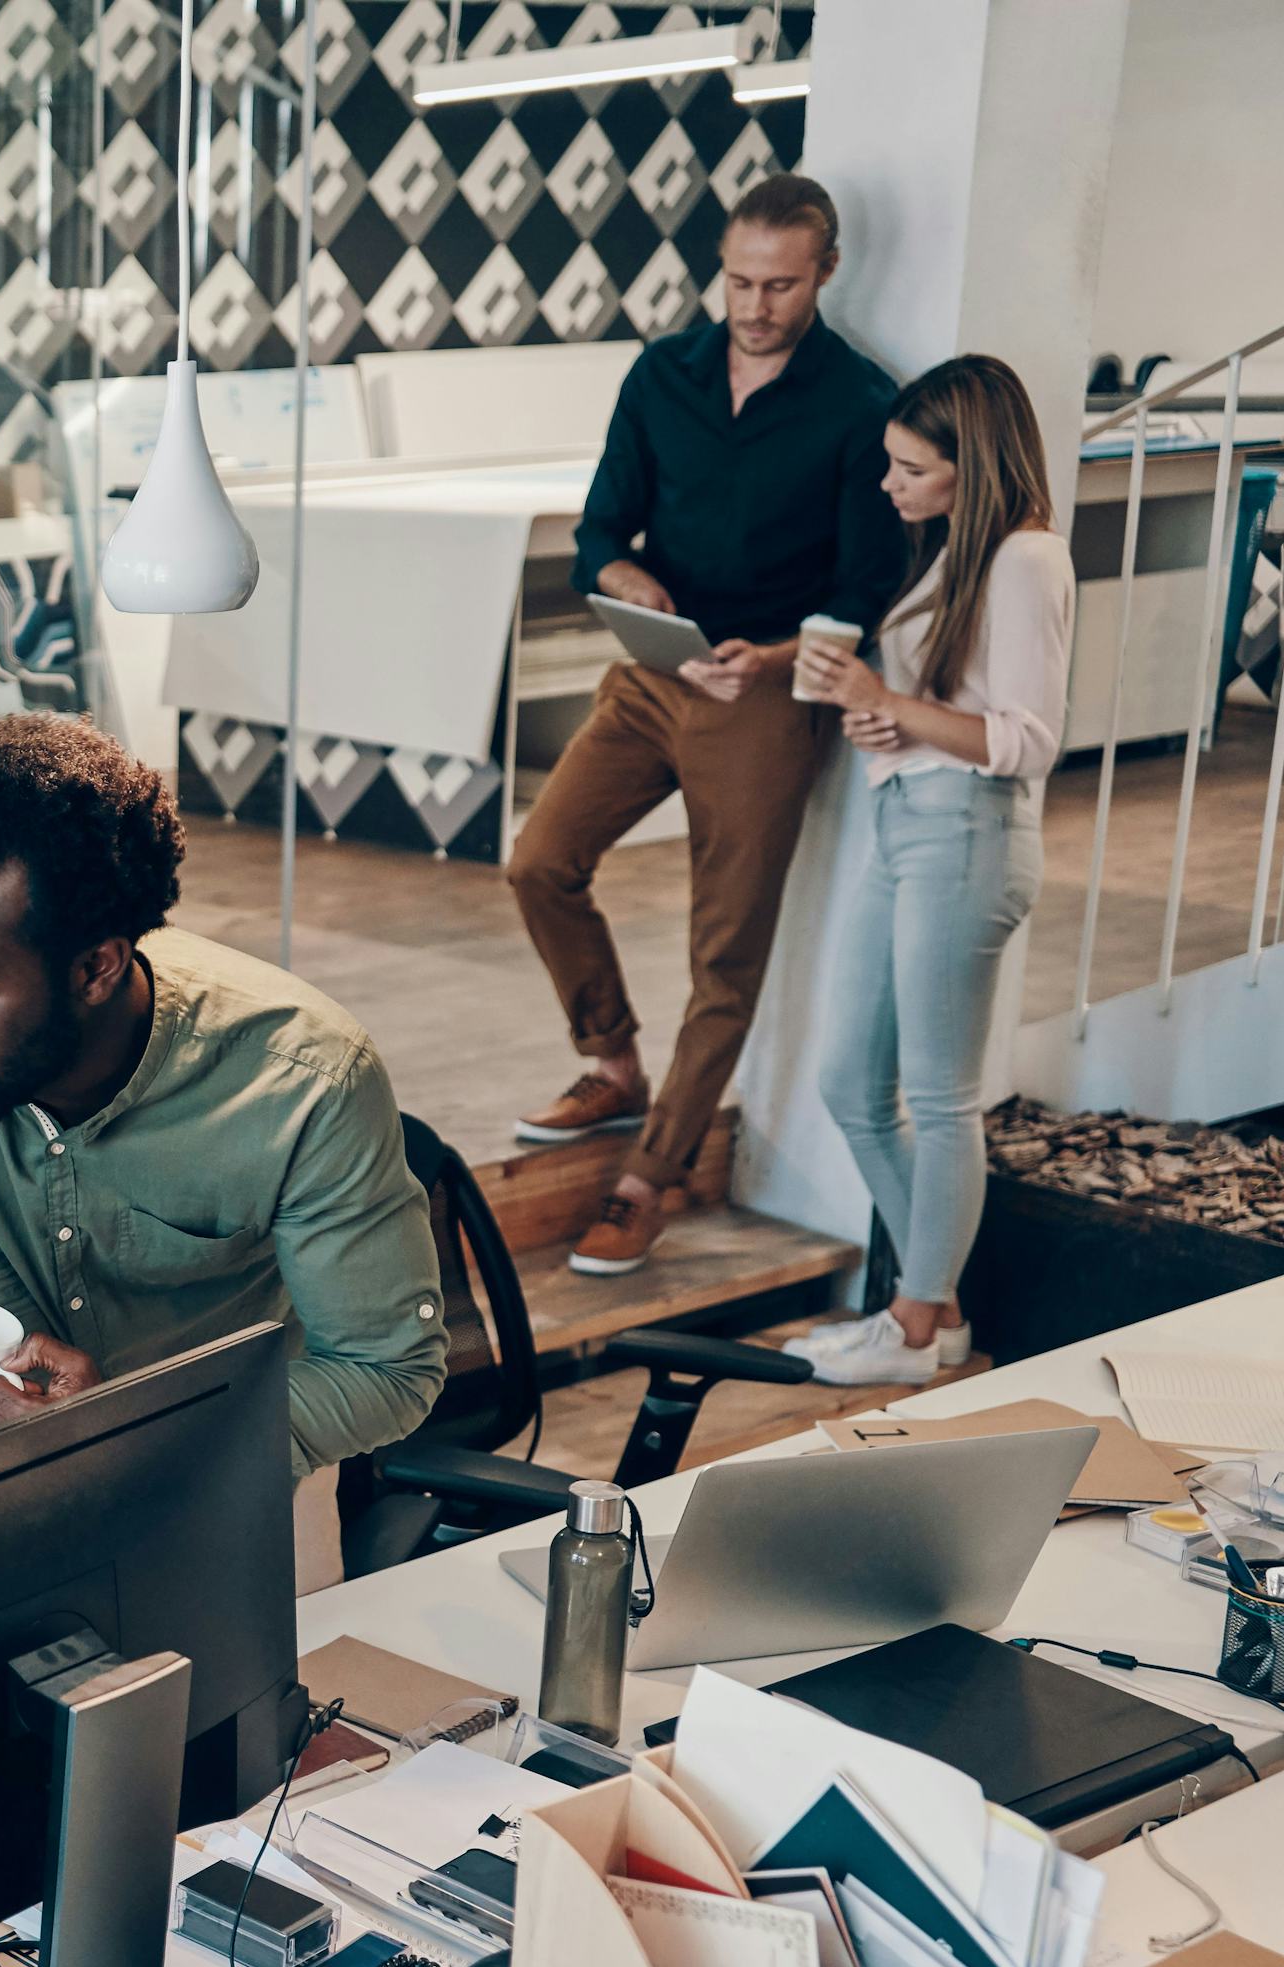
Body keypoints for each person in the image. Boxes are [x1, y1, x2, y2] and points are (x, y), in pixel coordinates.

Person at [0, 714, 445, 1512]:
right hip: (1, 1480)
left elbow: (387, 1367)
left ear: (95, 968)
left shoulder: (304, 1084)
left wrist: (127, 1432)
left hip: (229, 1483)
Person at [506, 171, 905, 1279]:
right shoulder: (661, 375)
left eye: (780, 285)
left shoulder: (860, 405)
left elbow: (868, 585)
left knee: (724, 953)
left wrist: (779, 655)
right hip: (653, 671)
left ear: (825, 272)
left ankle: (650, 1177)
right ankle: (611, 1060)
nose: (755, 305)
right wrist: (623, 573)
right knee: (539, 861)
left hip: (766, 695)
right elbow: (598, 529)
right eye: (738, 280)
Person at [791, 357, 1075, 1387]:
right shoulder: (958, 555)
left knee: (940, 1095)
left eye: (911, 467)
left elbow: (1028, 739)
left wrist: (887, 697)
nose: (889, 484)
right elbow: (947, 719)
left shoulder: (1028, 559)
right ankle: (936, 1309)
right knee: (848, 1083)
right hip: (907, 817)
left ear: (973, 464)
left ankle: (914, 1325)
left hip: (969, 837)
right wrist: (878, 717)